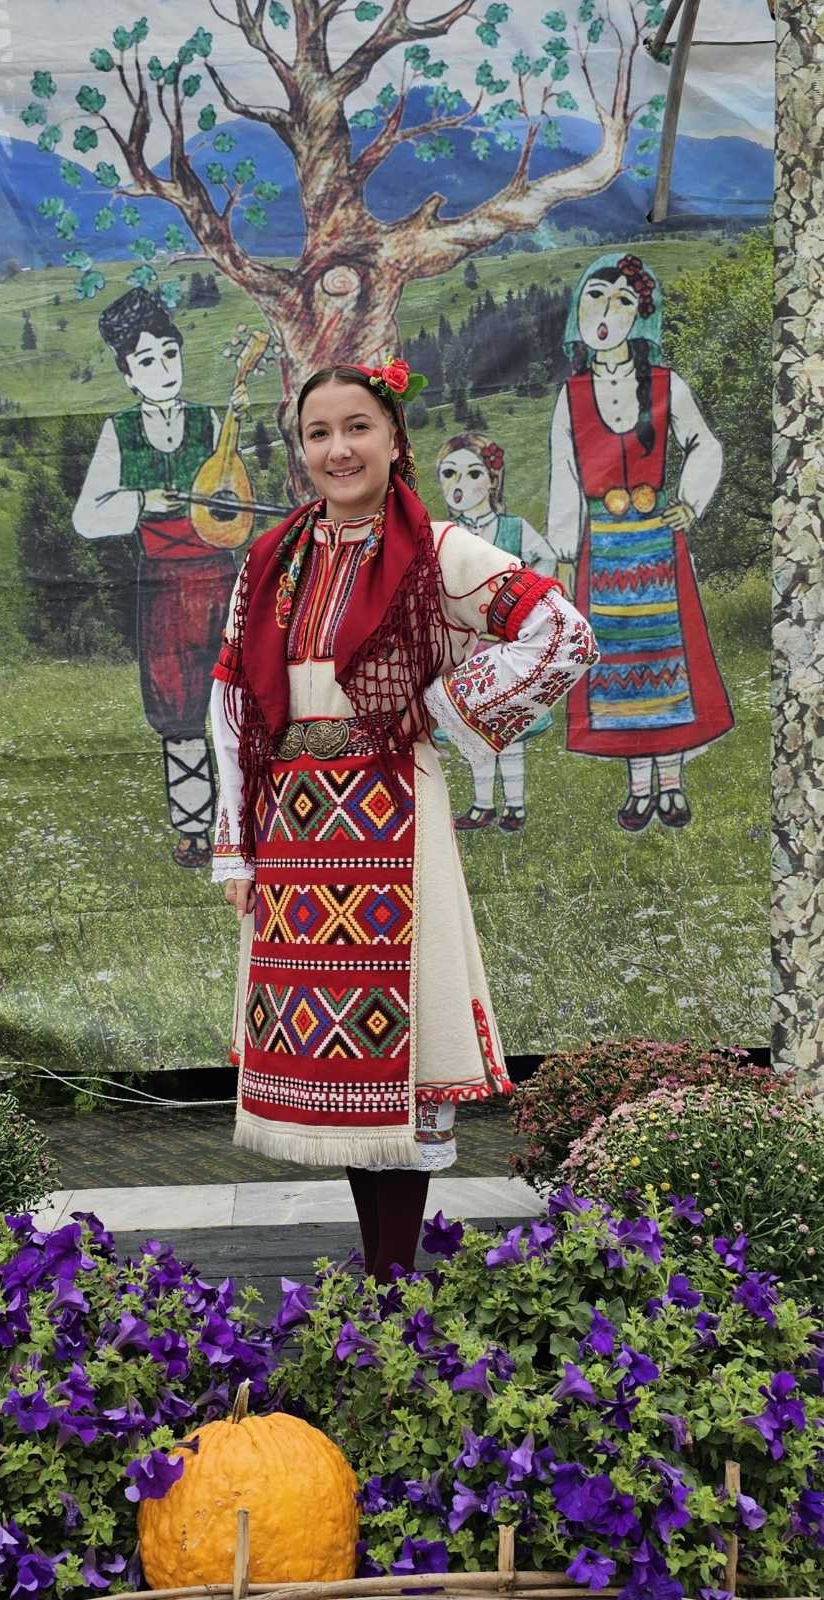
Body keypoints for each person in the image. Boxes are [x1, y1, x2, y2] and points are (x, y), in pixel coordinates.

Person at [210, 358, 598, 1282]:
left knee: (401, 1042)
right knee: (338, 1052)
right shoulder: (270, 562)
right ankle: (382, 1272)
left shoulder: (440, 552)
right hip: (295, 825)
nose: (337, 449)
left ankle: (394, 1277)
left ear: (394, 438)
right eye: (318, 433)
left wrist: (438, 707)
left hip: (392, 817)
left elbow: (562, 633)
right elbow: (231, 701)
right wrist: (236, 849)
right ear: (300, 449)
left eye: (357, 427)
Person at [546, 252, 733, 830]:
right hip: (602, 553)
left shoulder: (666, 385)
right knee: (616, 667)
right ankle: (638, 788)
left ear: (641, 317)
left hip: (658, 546)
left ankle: (671, 784)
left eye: (622, 301)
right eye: (596, 297)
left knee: (665, 658)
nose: (606, 312)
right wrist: (563, 556)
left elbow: (705, 444)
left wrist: (689, 502)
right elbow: (565, 476)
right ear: (579, 309)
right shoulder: (571, 395)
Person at [73, 287, 250, 868]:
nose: (163, 369)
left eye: (169, 354)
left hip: (218, 581)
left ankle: (246, 820)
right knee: (179, 711)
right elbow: (87, 517)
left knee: (236, 703)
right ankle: (195, 827)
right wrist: (141, 499)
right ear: (128, 374)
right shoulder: (120, 432)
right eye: (146, 360)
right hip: (163, 591)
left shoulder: (209, 421)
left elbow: (236, 505)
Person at [435, 431, 556, 833]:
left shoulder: (512, 528)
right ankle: (482, 804)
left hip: (505, 649)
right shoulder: (443, 535)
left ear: (492, 480)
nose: (460, 485)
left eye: (473, 474)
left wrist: (526, 603)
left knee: (510, 728)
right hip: (466, 653)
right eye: (449, 474)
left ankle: (515, 806)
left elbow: (545, 558)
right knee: (477, 731)